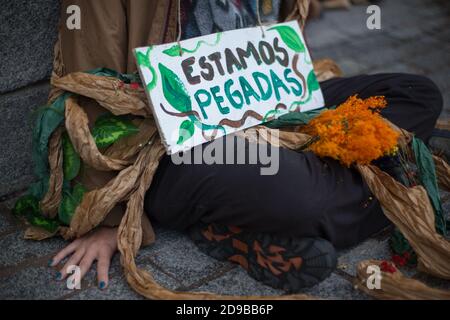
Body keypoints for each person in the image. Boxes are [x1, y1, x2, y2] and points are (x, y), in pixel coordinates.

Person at [49, 0, 443, 292]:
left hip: (270, 108)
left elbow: (280, 37)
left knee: (416, 94)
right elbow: (89, 96)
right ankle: (368, 190)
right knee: (303, 195)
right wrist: (108, 219)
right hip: (171, 144)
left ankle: (263, 216)